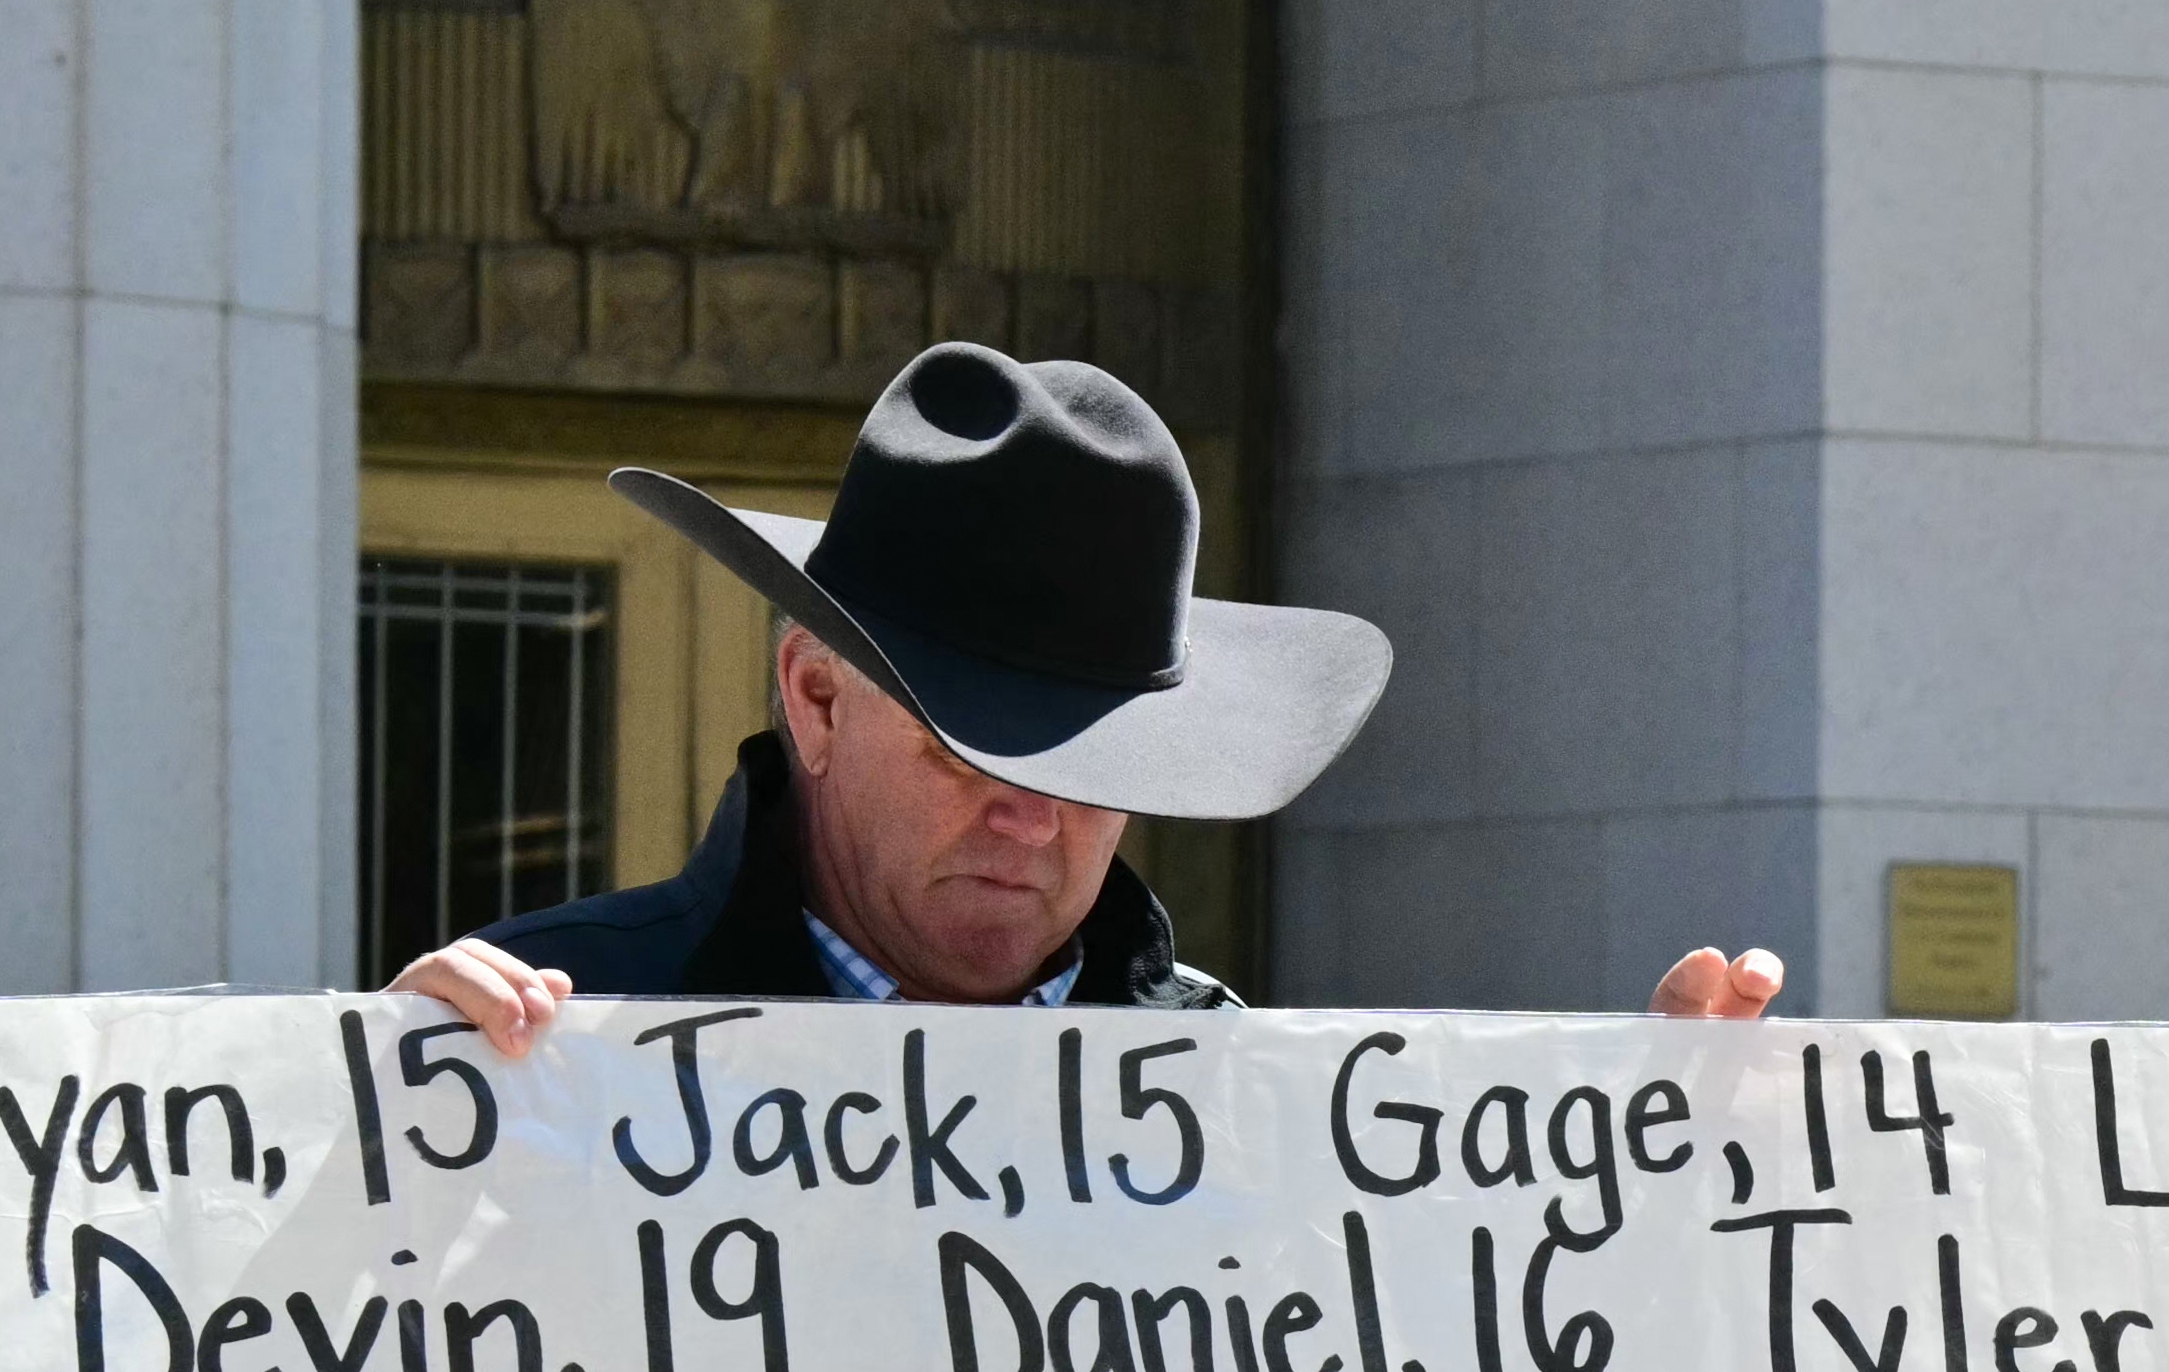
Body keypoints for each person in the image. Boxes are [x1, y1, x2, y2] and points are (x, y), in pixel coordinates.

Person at [388, 343, 1781, 1043]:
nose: (1028, 822)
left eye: (1090, 767)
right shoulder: (551, 1041)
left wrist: (1640, 1208)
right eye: (968, 748)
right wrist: (372, 1155)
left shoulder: (1258, 1102)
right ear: (814, 703)